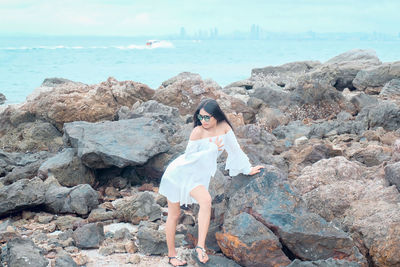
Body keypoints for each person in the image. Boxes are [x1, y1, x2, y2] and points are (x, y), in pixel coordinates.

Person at [158, 98, 264, 266]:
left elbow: (234, 150)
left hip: (197, 176)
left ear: (216, 116)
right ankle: (172, 256)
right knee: (174, 214)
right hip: (180, 173)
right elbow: (189, 159)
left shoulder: (224, 128)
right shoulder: (197, 132)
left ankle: (200, 247)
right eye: (201, 117)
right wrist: (211, 148)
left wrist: (247, 169)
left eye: (207, 117)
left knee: (206, 201)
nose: (203, 121)